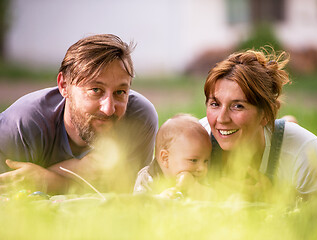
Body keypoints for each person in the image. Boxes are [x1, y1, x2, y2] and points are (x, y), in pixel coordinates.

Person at [0, 34, 158, 194]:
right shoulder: (20, 126)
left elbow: (125, 200)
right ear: (64, 85)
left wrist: (53, 181)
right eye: (96, 90)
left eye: (120, 92)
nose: (109, 109)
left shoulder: (139, 118)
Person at [199, 48, 317, 201]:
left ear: (265, 114)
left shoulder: (308, 154)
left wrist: (272, 198)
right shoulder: (192, 140)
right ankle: (287, 121)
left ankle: (286, 124)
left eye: (238, 106)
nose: (222, 119)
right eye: (215, 104)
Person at [134, 114, 213, 199]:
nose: (202, 168)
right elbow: (139, 204)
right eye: (193, 160)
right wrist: (160, 199)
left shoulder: (198, 179)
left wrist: (195, 188)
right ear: (165, 159)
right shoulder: (148, 177)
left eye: (206, 161)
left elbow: (214, 198)